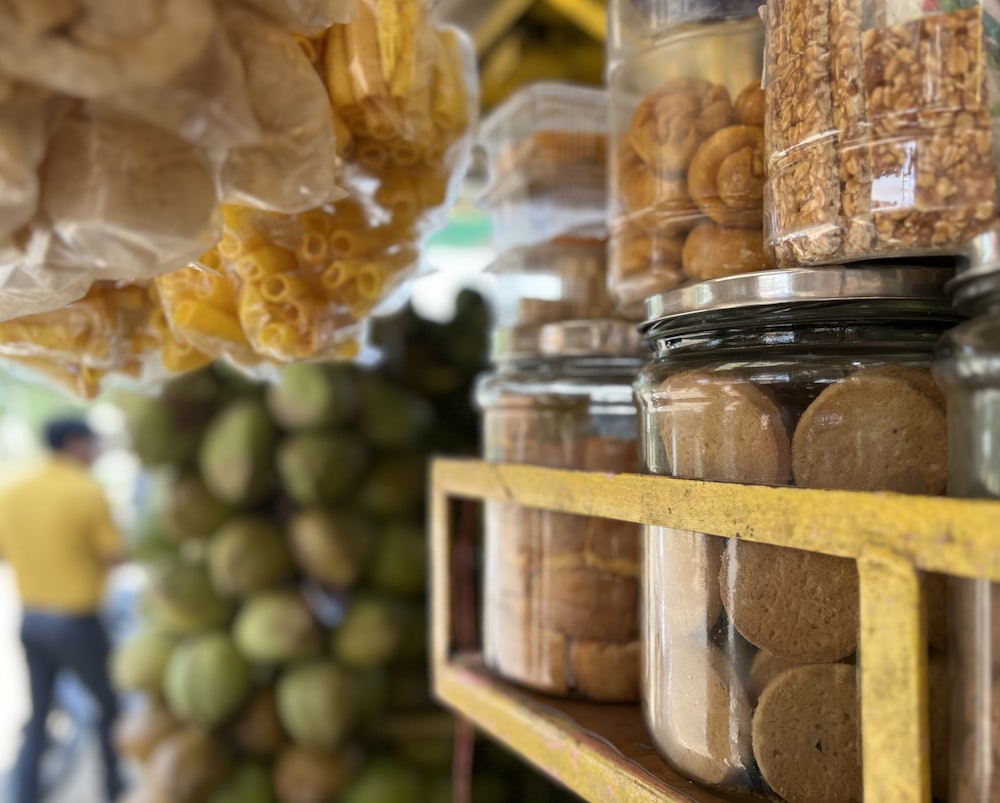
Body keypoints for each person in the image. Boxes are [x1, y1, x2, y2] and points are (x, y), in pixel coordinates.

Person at [0, 417, 125, 803]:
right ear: (74, 443)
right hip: (77, 623)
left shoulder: (13, 491)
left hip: (32, 619)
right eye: (91, 445)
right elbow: (114, 556)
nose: (95, 453)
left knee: (39, 717)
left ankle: (23, 794)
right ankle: (113, 790)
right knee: (110, 709)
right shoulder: (86, 490)